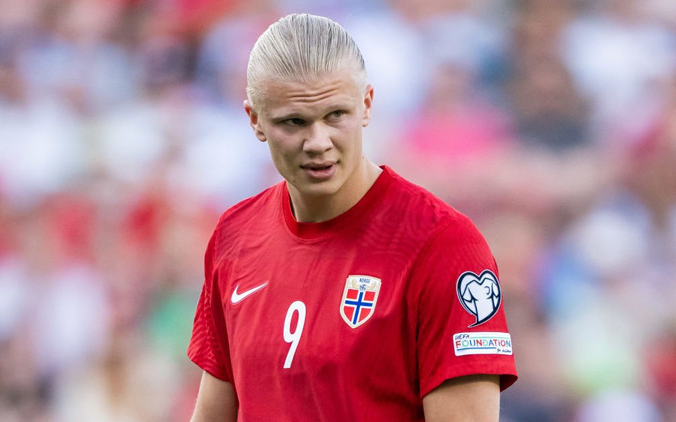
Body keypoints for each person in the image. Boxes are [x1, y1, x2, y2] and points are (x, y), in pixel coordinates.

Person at [187, 13, 517, 421]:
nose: (318, 142)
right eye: (294, 122)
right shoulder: (234, 236)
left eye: (335, 115)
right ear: (255, 120)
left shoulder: (444, 245)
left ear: (366, 104)